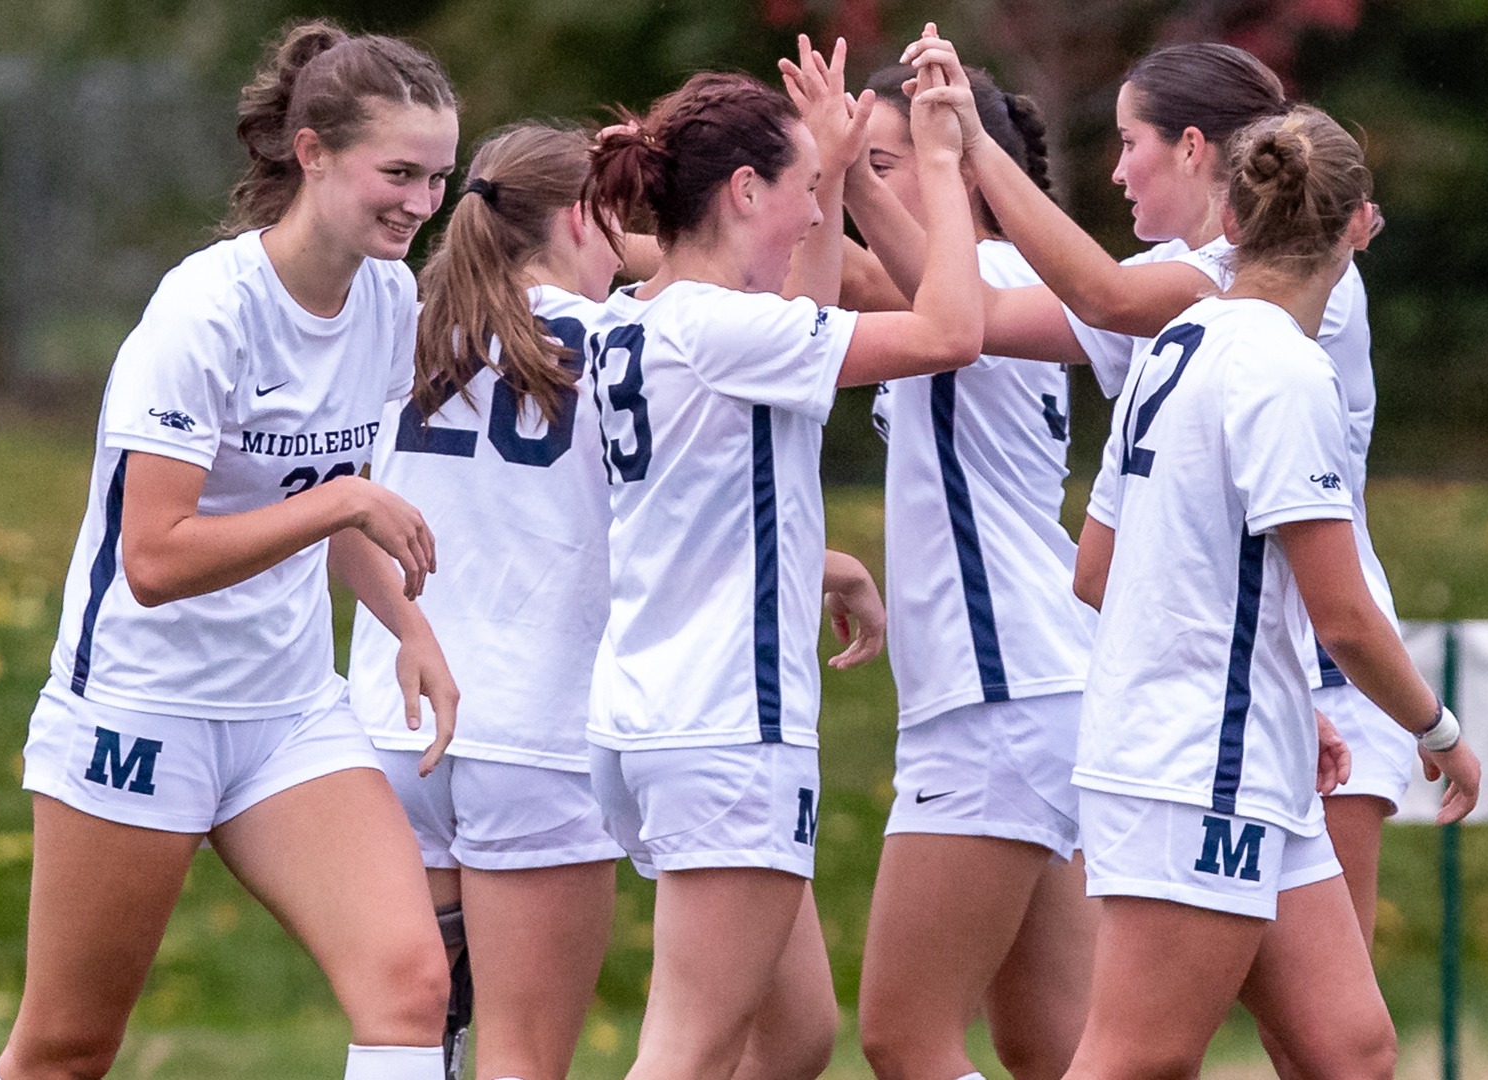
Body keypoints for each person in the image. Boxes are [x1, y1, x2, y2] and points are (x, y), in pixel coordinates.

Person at [901, 31, 1419, 1025]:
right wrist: (853, 192)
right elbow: (960, 320)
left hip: (1321, 673)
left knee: (1333, 1043)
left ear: (1193, 149)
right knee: (1255, 1044)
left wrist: (969, 147)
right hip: (1226, 686)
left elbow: (1095, 291)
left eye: (1130, 139)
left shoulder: (1264, 285)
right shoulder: (1188, 294)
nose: (1114, 165)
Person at [0, 21, 460, 1080]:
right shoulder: (207, 310)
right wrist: (341, 501)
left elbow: (325, 509)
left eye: (438, 177)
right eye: (398, 173)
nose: (420, 204)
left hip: (288, 711)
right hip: (144, 703)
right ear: (313, 153)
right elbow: (154, 559)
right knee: (67, 1048)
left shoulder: (389, 298)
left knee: (410, 986)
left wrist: (409, 628)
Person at [578, 37, 984, 1080]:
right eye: (805, 192)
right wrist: (939, 165)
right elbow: (948, 330)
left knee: (794, 1036)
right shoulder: (720, 331)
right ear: (745, 189)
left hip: (655, 714)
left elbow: (794, 324)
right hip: (725, 725)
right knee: (685, 1052)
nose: (818, 217)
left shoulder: (639, 319)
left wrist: (840, 165)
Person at [1055, 100, 1481, 1078]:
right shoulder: (1285, 371)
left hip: (1238, 755)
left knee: (1352, 1051)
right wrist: (1440, 733)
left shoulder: (1174, 347)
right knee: (1135, 1060)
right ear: (1357, 227)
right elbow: (1345, 618)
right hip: (1195, 766)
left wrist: (1281, 701)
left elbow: (1099, 573)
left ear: (1232, 220)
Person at [347, 121, 628, 1080]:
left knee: (407, 1040)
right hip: (538, 731)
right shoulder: (622, 340)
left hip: (393, 725)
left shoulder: (394, 326)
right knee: (520, 1059)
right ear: (581, 218)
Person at [841, 62, 1098, 1080]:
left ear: (962, 173)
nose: (862, 180)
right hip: (1038, 688)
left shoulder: (985, 279)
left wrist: (836, 178)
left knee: (903, 1039)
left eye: (885, 160)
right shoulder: (987, 284)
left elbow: (862, 279)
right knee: (1054, 1045)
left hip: (996, 700)